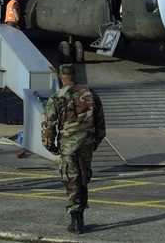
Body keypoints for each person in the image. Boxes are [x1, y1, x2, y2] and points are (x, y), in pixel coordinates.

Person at [42, 64, 106, 234]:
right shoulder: (90, 94)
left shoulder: (57, 97)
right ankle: (81, 215)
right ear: (75, 75)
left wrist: (51, 146)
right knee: (83, 178)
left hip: (68, 146)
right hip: (86, 144)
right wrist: (94, 143)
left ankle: (75, 219)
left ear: (61, 77)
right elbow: (101, 124)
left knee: (71, 180)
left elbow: (49, 126)